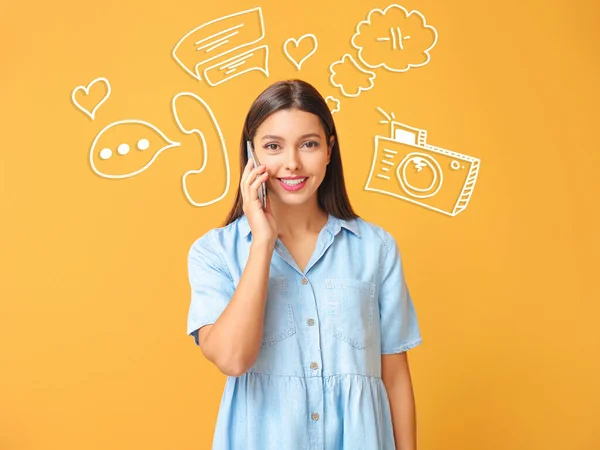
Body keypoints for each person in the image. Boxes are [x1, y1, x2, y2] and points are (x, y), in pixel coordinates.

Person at [186, 79, 423, 450]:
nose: (292, 163)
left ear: (329, 150)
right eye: (273, 146)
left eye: (309, 144)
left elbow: (394, 377)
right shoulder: (214, 252)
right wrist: (262, 242)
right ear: (251, 154)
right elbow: (233, 359)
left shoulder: (375, 248)